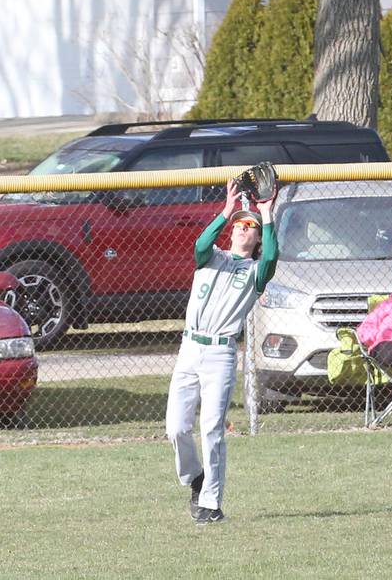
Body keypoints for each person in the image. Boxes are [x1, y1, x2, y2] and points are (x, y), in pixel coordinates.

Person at [165, 178, 278, 525]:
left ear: (257, 239)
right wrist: (226, 212)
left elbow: (272, 257)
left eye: (250, 226)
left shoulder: (255, 271)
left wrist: (267, 215)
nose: (244, 227)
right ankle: (195, 479)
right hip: (189, 347)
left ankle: (210, 504)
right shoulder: (211, 257)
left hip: (220, 354)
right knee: (176, 429)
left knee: (212, 427)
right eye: (240, 224)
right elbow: (200, 243)